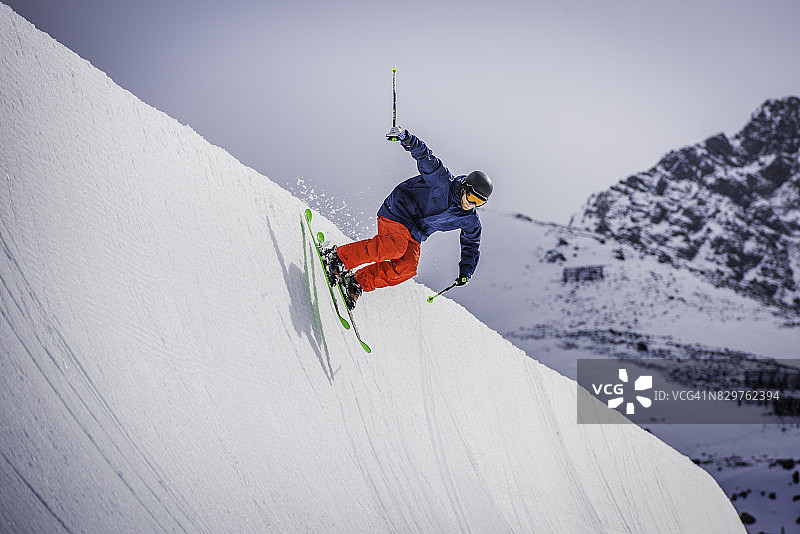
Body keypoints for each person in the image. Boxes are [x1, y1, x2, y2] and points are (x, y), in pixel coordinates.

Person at [322, 127, 492, 309]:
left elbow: (471, 245)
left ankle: (358, 281)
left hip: (415, 232)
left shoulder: (469, 219)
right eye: (472, 198)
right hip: (399, 209)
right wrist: (406, 138)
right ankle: (337, 257)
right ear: (464, 188)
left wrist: (466, 271)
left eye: (479, 203)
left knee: (408, 266)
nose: (471, 204)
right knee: (394, 247)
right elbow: (425, 157)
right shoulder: (442, 182)